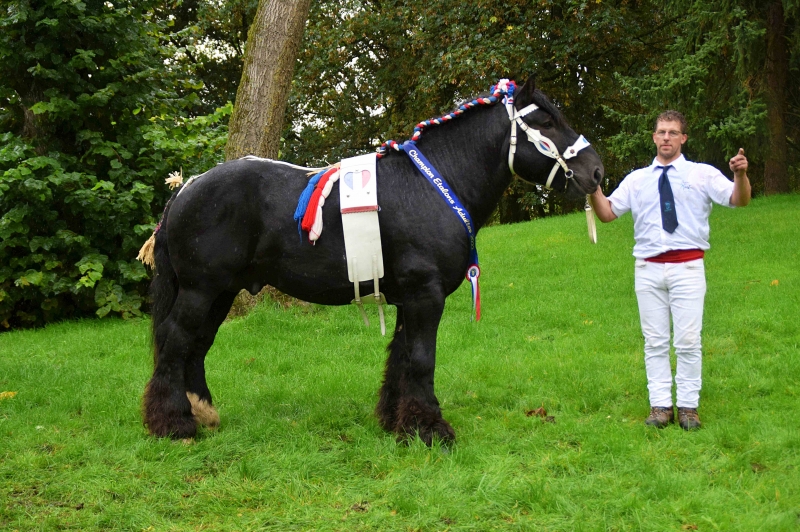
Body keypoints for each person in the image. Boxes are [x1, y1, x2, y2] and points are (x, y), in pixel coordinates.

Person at [590, 110, 751, 430]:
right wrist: (592, 186)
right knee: (655, 341)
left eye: (673, 132)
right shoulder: (637, 180)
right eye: (661, 132)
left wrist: (741, 175)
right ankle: (660, 405)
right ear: (653, 137)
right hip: (647, 270)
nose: (666, 137)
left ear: (683, 138)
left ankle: (689, 407)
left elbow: (739, 200)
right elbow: (607, 213)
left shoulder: (702, 174)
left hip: (688, 268)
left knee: (689, 341)